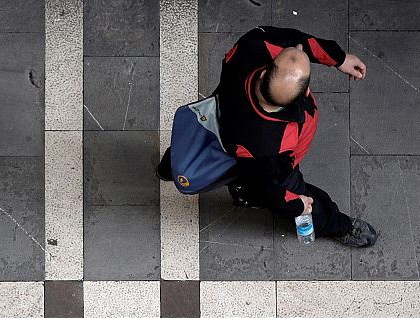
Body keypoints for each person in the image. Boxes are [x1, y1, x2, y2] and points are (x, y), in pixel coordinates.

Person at [158, 26, 378, 247]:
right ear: (305, 95)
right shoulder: (272, 145)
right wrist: (297, 205)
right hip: (266, 164)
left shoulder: (250, 47)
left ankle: (169, 167)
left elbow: (293, 42)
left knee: (186, 151)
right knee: (301, 198)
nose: (300, 47)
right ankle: (337, 225)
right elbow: (271, 191)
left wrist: (337, 58)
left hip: (222, 127)